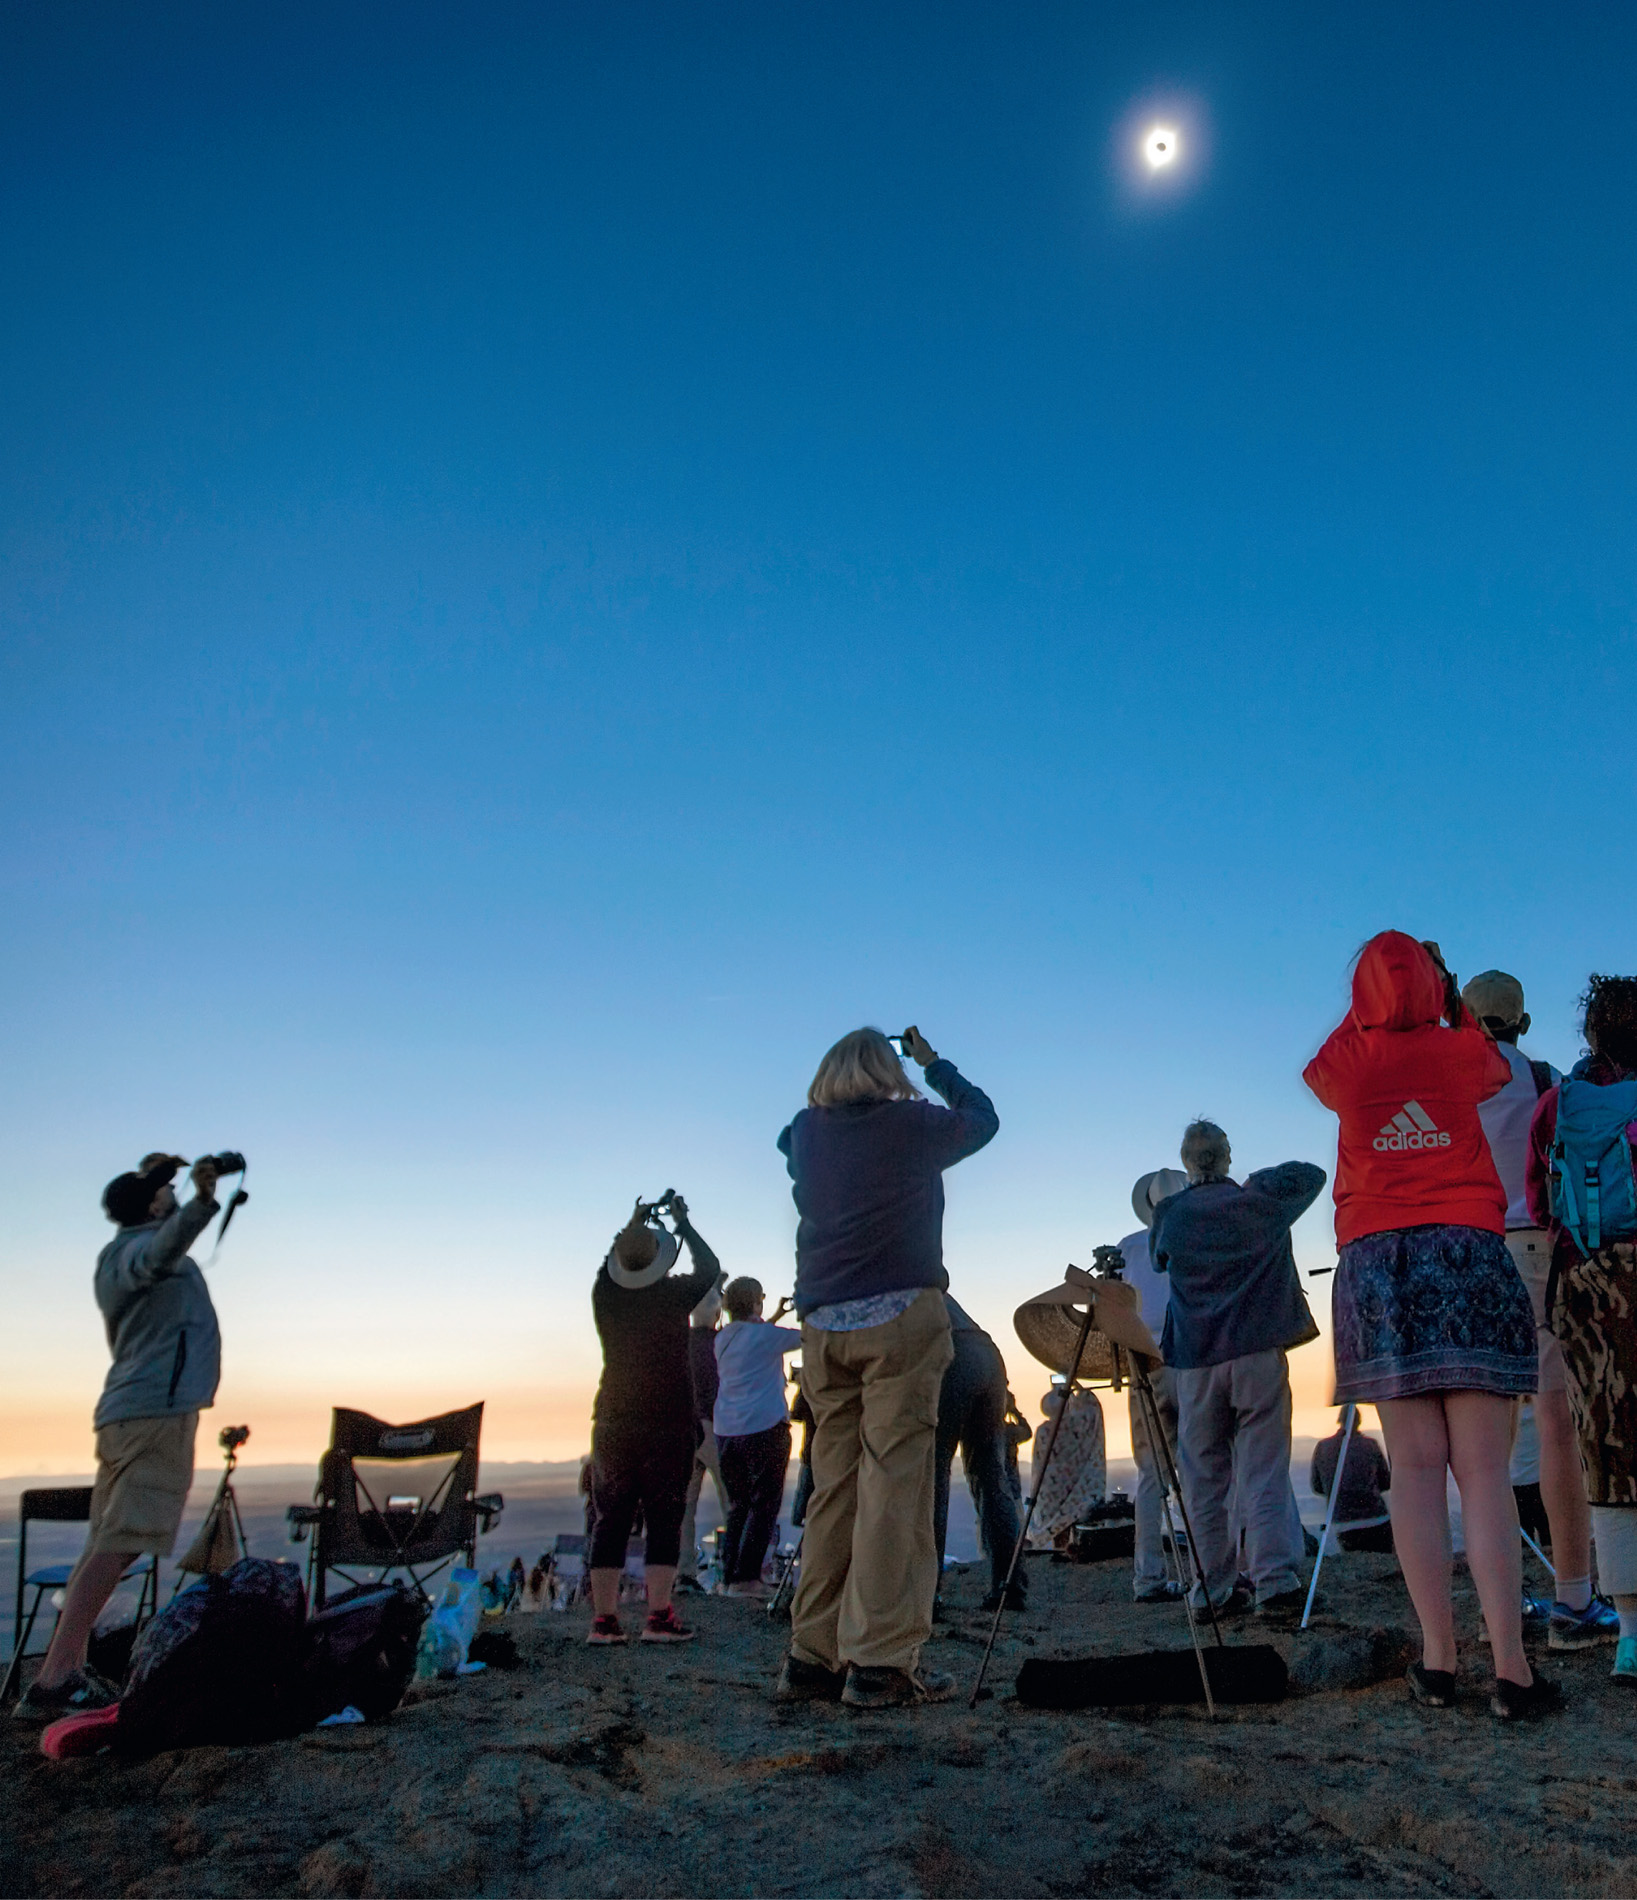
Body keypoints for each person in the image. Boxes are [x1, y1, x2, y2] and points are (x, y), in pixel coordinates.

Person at [1304, 932, 1558, 1720]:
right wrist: (1441, 997)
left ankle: (1438, 1662)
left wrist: (1375, 1006)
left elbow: (1324, 1064)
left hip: (1377, 1263)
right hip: (1467, 1250)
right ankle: (1511, 1672)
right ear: (1435, 990)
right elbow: (1483, 1056)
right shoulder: (1461, 1052)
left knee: (1414, 1473)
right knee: (1483, 1475)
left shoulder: (1348, 1063)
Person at [774, 1024, 997, 1709]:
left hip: (822, 1325)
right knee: (892, 1489)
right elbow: (982, 1121)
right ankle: (878, 1662)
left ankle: (811, 1658)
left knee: (835, 1489)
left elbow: (788, 1148)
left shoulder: (805, 1132)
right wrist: (932, 1065)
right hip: (900, 1315)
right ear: (883, 1071)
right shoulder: (910, 1124)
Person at [16, 1154, 224, 1724]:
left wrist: (154, 1177)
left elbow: (159, 1233)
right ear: (149, 1206)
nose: (171, 1196)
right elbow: (161, 1249)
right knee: (125, 1537)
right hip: (154, 1412)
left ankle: (67, 1670)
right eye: (163, 1193)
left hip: (131, 1411)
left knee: (103, 1541)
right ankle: (55, 1677)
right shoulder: (136, 1252)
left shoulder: (119, 1255)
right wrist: (204, 1201)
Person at [1464, 968, 1614, 1649]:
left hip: (1462, 1254)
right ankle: (1574, 1604)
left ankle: (1499, 1601)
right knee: (1556, 1424)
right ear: (1520, 1023)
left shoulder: (1444, 1079)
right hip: (1531, 1251)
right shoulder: (1543, 1078)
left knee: (1478, 1441)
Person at [1148, 1122, 1323, 1619]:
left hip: (1196, 1362)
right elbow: (1311, 1174)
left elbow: (1161, 1262)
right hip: (1257, 1354)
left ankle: (1211, 1589)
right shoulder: (1259, 1202)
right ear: (1226, 1156)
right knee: (1263, 1470)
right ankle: (1274, 1581)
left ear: (1185, 1162)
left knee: (1203, 1478)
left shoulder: (1170, 1213)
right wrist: (1254, 1182)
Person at [1527, 972, 1637, 1688]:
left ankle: (1630, 1633)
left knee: (1606, 1449)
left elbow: (1541, 1203)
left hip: (1585, 1287)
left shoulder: (1554, 1105)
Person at [585, 1194, 721, 1646]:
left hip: (613, 1420)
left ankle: (604, 1622)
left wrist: (632, 1223)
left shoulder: (605, 1295)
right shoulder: (671, 1294)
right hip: (667, 1422)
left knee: (610, 1519)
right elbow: (709, 1266)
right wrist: (682, 1222)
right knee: (665, 1516)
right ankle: (658, 1616)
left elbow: (610, 1265)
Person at [933, 1297, 1027, 1612]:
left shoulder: (889, 1283)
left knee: (932, 1476)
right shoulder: (926, 1279)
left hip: (951, 1355)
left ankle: (925, 1593)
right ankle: (1009, 1585)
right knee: (991, 1476)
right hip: (987, 1356)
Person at [1121, 1168, 1189, 1602]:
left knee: (1151, 1474)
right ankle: (1211, 1573)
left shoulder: (1128, 1248)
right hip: (1188, 1358)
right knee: (1204, 1466)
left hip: (1141, 1363)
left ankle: (1147, 1577)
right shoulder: (1195, 1237)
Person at [712, 1276, 802, 1597]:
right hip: (763, 1427)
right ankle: (748, 1577)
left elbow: (756, 1336)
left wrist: (774, 1316)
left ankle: (730, 1577)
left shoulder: (723, 1339)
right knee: (765, 1505)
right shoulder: (764, 1337)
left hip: (726, 1432)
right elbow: (807, 1338)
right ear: (754, 1302)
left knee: (737, 1506)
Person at [676, 1276, 728, 1595]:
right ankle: (737, 1570)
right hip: (713, 1427)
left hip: (682, 1430)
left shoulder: (678, 1342)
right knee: (732, 1502)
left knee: (685, 1508)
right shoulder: (721, 1343)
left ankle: (684, 1574)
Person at [1027, 1380, 1107, 1546]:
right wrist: (1078, 1388)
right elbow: (1093, 1408)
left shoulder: (1044, 1431)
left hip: (1049, 1491)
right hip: (1076, 1488)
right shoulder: (1079, 1425)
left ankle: (1060, 1548)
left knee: (1056, 1529)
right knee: (1073, 1523)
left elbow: (1038, 1463)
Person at [1311, 1409, 1394, 1553]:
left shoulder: (1323, 1447)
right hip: (1376, 1518)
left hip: (1343, 1523)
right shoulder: (1370, 1445)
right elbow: (1386, 1482)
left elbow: (1317, 1487)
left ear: (1339, 1420)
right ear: (1359, 1421)